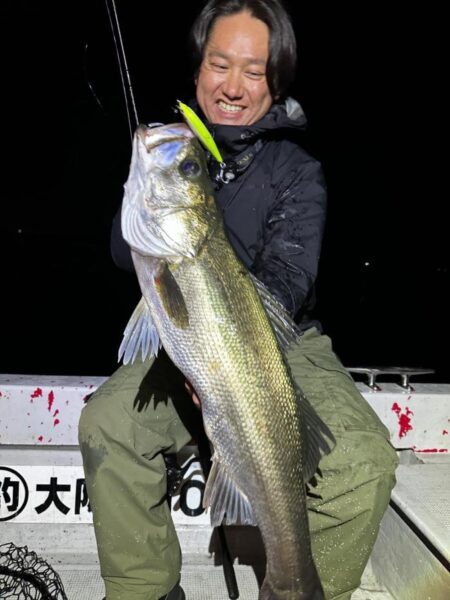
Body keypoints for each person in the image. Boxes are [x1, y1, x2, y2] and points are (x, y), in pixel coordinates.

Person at [79, 1, 399, 599]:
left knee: (363, 463)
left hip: (283, 342)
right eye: (219, 64)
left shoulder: (296, 170)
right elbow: (128, 255)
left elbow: (288, 277)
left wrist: (226, 369)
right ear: (198, 68)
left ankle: (301, 584)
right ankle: (144, 591)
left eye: (253, 72)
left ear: (276, 83)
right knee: (108, 425)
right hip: (189, 336)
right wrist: (146, 189)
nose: (232, 86)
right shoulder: (177, 151)